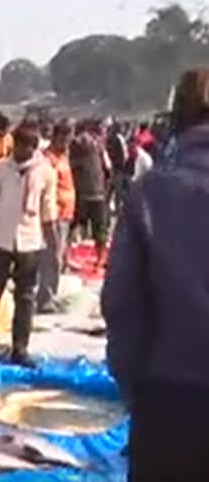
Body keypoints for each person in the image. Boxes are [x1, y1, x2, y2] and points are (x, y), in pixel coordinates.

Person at [102, 67, 209, 479]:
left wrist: (134, 387)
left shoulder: (153, 192)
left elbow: (122, 303)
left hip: (171, 400)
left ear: (177, 116)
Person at [0, 125, 57, 368]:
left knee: (25, 298)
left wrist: (53, 246)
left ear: (34, 147)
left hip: (30, 241)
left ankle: (20, 349)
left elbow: (48, 211)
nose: (21, 151)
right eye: (18, 146)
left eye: (27, 147)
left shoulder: (45, 172)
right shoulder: (1, 169)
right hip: (0, 239)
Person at [37, 123, 75, 314]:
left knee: (57, 257)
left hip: (65, 215)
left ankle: (49, 295)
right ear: (56, 137)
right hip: (54, 215)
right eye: (65, 139)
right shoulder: (47, 159)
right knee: (51, 258)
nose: (67, 143)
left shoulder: (63, 157)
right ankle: (45, 299)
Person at [69, 124, 110, 266]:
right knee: (100, 228)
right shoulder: (98, 144)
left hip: (81, 192)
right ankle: (101, 258)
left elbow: (71, 167)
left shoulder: (75, 144)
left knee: (72, 225)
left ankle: (64, 256)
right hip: (98, 192)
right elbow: (107, 167)